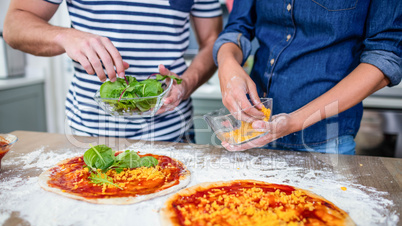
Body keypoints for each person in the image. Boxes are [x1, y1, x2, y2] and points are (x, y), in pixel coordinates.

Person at [3, 0, 222, 142]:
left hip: (173, 133)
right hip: (89, 137)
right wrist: (64, 37)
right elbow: (14, 26)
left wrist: (187, 83)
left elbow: (212, 39)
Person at [213, 0, 401, 154]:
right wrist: (227, 63)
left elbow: (385, 56)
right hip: (252, 132)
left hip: (325, 143)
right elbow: (237, 28)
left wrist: (296, 120)